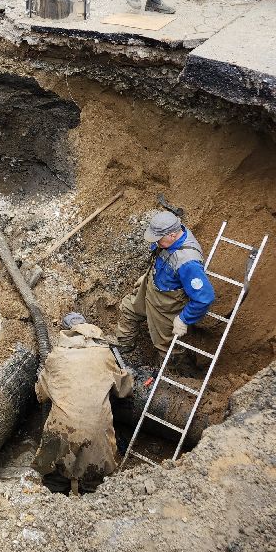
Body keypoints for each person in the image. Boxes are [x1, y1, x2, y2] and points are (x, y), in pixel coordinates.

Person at [33, 313, 133, 493]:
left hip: (61, 431)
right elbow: (123, 391)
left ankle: (54, 506)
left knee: (54, 482)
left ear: (66, 332)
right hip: (96, 433)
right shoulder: (104, 353)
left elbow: (41, 395)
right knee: (93, 484)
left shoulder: (56, 356)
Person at [116, 210, 215, 360]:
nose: (156, 243)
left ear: (172, 235)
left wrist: (183, 319)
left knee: (166, 346)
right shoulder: (169, 239)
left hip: (166, 305)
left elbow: (204, 297)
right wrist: (148, 276)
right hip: (151, 288)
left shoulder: (188, 262)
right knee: (129, 309)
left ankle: (175, 374)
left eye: (158, 239)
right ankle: (124, 347)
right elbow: (163, 258)